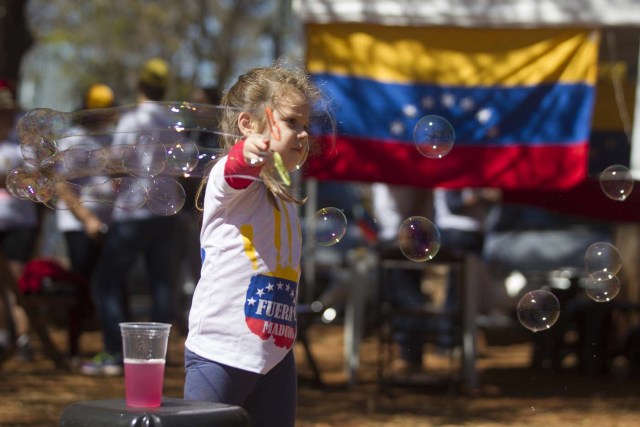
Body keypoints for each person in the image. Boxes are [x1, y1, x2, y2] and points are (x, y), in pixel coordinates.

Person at [183, 62, 325, 426]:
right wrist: (249, 152)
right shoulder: (228, 181)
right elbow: (235, 169)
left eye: (305, 126)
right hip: (220, 351)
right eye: (292, 122)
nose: (303, 134)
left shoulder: (282, 194)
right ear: (247, 124)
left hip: (276, 355)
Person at [81, 59, 179, 376]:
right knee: (161, 285)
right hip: (167, 210)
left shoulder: (133, 119)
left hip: (135, 209)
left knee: (107, 280)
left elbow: (119, 162)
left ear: (139, 85)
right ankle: (157, 359)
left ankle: (114, 353)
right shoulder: (171, 118)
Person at [371, 182, 433, 376]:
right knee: (394, 298)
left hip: (404, 239)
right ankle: (404, 352)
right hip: (389, 238)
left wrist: (409, 230)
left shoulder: (404, 158)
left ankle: (410, 356)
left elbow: (423, 189)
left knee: (408, 298)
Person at [0, 79, 40, 360]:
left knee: (15, 281)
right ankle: (3, 337)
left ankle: (24, 338)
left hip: (19, 223)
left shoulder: (22, 143)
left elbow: (35, 179)